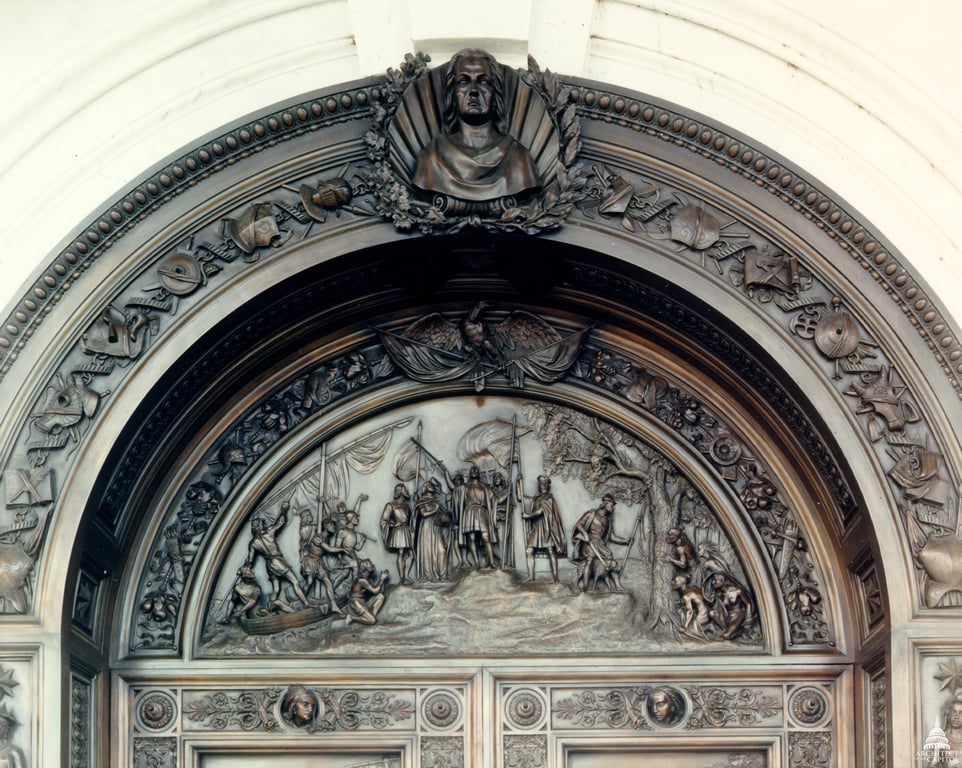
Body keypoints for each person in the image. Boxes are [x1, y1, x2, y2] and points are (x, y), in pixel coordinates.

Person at [412, 49, 541, 203]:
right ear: (452, 95)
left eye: (484, 82)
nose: (473, 91)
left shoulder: (519, 159)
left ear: (496, 94)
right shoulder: (431, 159)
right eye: (463, 82)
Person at [245, 501, 312, 611]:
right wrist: (284, 509)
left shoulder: (253, 543)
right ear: (259, 526)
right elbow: (281, 522)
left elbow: (250, 560)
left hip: (269, 565)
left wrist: (245, 567)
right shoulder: (268, 533)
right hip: (277, 561)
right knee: (295, 582)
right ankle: (306, 603)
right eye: (263, 524)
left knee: (276, 589)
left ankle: (269, 609)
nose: (265, 525)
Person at [571, 494, 632, 591]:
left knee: (611, 561)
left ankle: (617, 585)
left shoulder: (608, 520)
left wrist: (625, 540)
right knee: (589, 561)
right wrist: (585, 535)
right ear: (605, 504)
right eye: (611, 505)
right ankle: (585, 586)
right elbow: (579, 525)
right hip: (589, 542)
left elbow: (612, 536)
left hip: (600, 545)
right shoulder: (591, 514)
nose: (613, 508)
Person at [516, 474, 566, 582]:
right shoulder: (535, 499)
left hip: (546, 528)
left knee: (551, 551)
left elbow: (540, 511)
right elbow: (521, 498)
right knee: (529, 550)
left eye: (545, 484)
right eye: (540, 484)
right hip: (536, 528)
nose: (542, 486)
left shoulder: (549, 499)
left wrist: (527, 515)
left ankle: (555, 577)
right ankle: (530, 575)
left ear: (548, 486)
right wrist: (518, 483)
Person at [454, 464, 499, 568]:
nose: (474, 471)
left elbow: (496, 500)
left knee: (485, 536)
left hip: (482, 512)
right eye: (472, 470)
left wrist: (509, 489)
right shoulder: (464, 487)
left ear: (479, 474)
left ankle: (492, 562)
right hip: (469, 512)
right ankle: (476, 563)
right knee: (472, 537)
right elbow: (453, 488)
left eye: (476, 470)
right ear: (469, 474)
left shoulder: (486, 487)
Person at [413, 478, 450, 581]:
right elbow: (424, 514)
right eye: (428, 484)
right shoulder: (421, 501)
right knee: (428, 551)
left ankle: (443, 576)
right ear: (425, 488)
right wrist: (435, 509)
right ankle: (428, 575)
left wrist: (445, 518)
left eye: (432, 485)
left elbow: (444, 514)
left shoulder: (436, 501)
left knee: (442, 550)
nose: (431, 485)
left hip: (437, 526)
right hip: (426, 527)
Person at [380, 484, 414, 582]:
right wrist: (393, 525)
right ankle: (402, 578)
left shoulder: (407, 505)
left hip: (407, 530)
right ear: (400, 491)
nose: (407, 491)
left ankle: (407, 575)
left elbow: (412, 519)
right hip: (398, 531)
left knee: (411, 554)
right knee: (401, 553)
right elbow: (383, 520)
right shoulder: (390, 505)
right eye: (405, 489)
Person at [344, 559, 389, 626]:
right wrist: (382, 579)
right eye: (369, 564)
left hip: (363, 601)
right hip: (356, 602)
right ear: (365, 567)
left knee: (380, 596)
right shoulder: (362, 580)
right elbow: (375, 590)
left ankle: (372, 615)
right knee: (372, 621)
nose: (372, 565)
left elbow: (376, 592)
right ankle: (351, 617)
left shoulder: (368, 579)